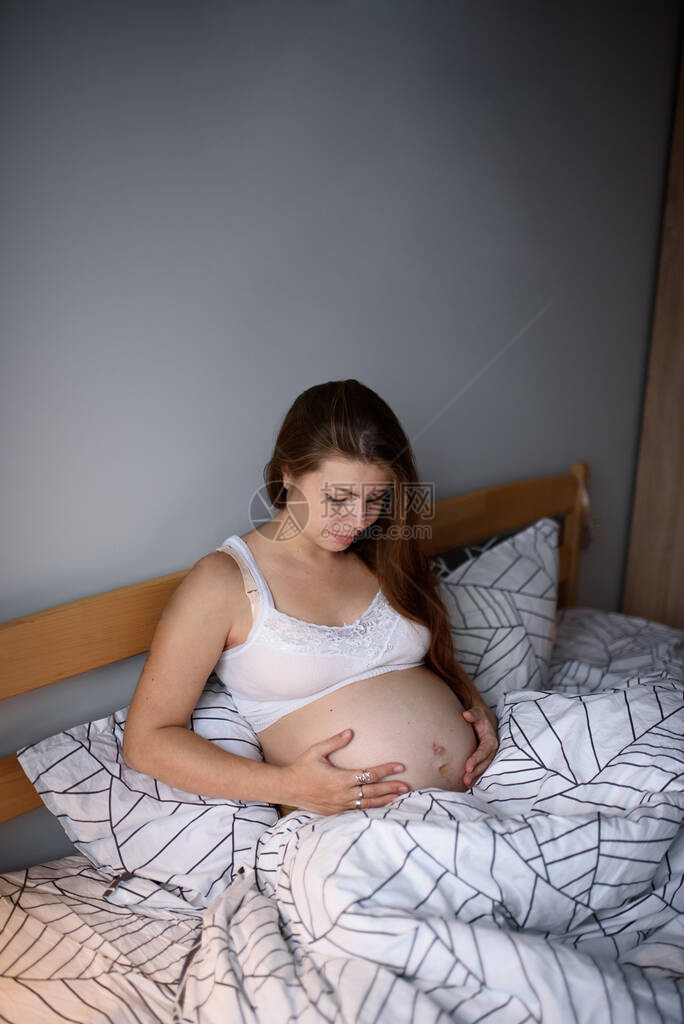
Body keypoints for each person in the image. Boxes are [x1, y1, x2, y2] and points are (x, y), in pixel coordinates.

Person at [123, 380, 499, 816]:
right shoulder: (225, 582)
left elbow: (435, 662)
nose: (358, 519)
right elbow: (146, 741)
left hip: (482, 794)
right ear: (288, 475)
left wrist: (477, 710)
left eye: (376, 498)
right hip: (357, 829)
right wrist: (288, 786)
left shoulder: (383, 552)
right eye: (337, 498)